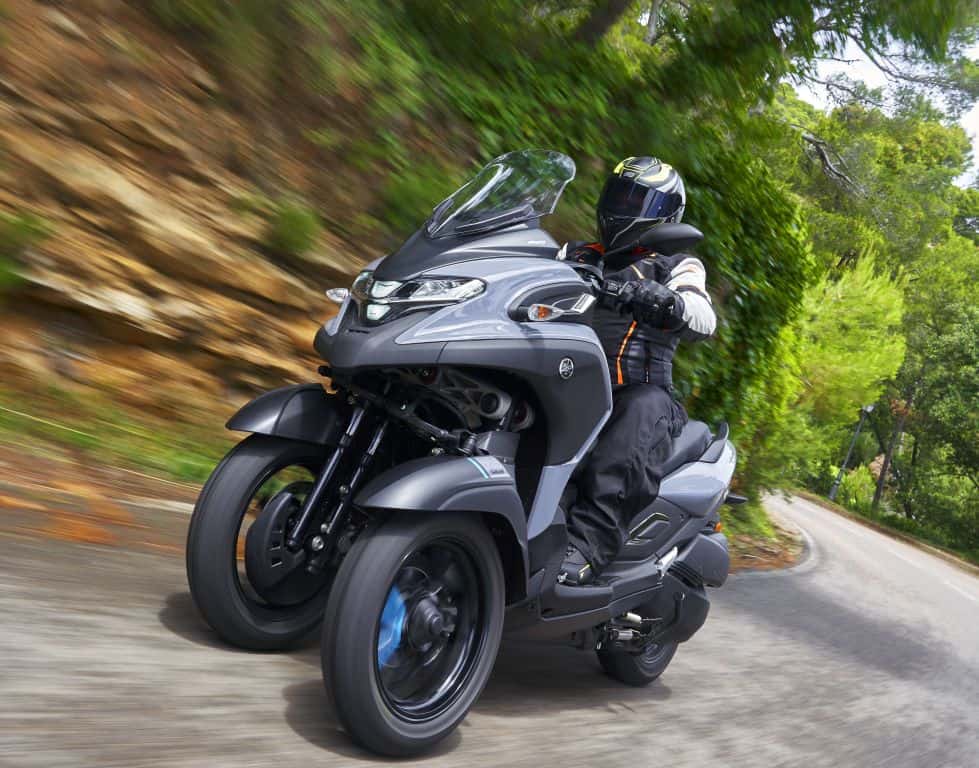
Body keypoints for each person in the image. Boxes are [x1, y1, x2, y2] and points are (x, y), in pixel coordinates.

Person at [557, 157, 716, 586]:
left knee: (640, 411)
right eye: (619, 195)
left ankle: (587, 545)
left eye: (636, 200)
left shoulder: (676, 265)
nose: (623, 206)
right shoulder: (574, 254)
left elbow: (704, 316)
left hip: (638, 393)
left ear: (664, 215)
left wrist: (667, 301)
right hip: (567, 382)